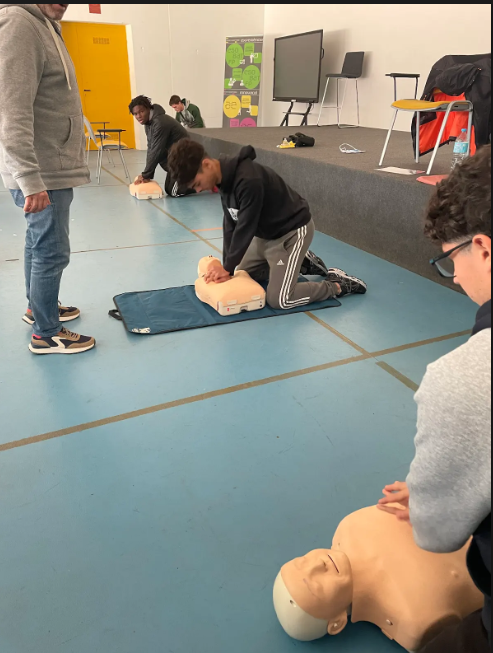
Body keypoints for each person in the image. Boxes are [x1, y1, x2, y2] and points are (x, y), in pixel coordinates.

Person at [378, 145, 492, 653]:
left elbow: (436, 533)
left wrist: (433, 496)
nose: (456, 275)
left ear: (482, 248)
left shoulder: (462, 379)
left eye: (451, 259)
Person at [167, 140, 367, 309]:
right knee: (243, 276)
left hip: (291, 233)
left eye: (197, 184)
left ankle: (337, 284)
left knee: (280, 299)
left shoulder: (248, 179)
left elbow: (245, 227)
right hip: (265, 236)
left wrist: (226, 267)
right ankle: (302, 263)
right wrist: (228, 266)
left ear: (207, 165)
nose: (198, 190)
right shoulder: (223, 179)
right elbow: (230, 222)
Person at [0, 3, 95, 355]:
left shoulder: (44, 25)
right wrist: (30, 177)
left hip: (48, 166)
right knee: (51, 251)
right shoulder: (19, 24)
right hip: (42, 171)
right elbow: (11, 110)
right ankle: (47, 333)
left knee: (37, 243)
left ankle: (37, 308)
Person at [129, 95, 196, 198]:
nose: (138, 116)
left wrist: (146, 175)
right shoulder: (148, 124)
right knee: (168, 189)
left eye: (141, 111)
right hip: (176, 159)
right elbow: (151, 149)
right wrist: (146, 174)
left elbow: (156, 150)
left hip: (186, 160)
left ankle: (202, 182)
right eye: (135, 114)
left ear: (148, 109)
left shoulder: (160, 122)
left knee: (174, 192)